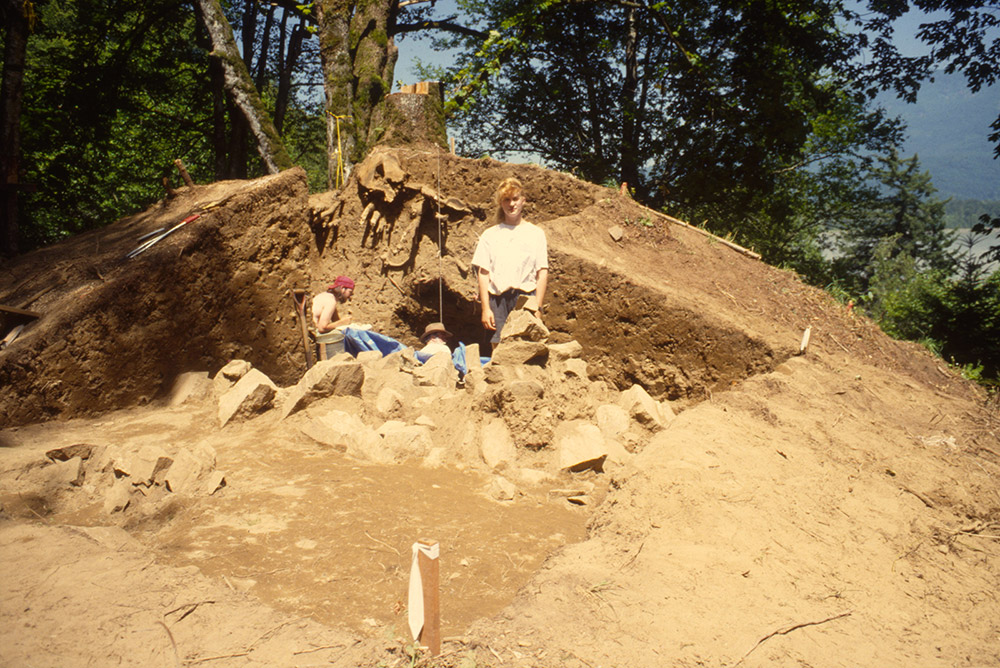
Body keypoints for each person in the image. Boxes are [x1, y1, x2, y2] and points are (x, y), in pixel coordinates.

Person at [471, 177, 548, 350]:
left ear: (523, 201)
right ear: (501, 202)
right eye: (506, 199)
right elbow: (483, 274)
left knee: (526, 349)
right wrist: (485, 308)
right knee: (498, 351)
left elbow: (542, 273)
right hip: (497, 301)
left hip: (525, 298)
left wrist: (538, 306)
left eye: (515, 199)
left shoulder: (535, 233)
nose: (511, 204)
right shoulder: (490, 235)